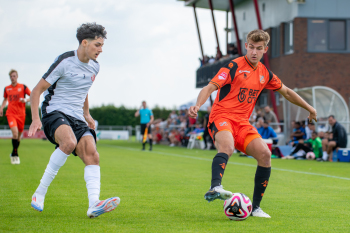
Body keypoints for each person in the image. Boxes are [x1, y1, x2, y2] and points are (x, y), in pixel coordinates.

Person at [188, 29, 317, 218]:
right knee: (227, 147)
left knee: (265, 154)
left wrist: (310, 108)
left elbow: (287, 92)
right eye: (251, 47)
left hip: (242, 123)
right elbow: (210, 87)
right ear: (246, 46)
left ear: (265, 49)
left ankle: (255, 208)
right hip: (221, 116)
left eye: (259, 48)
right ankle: (215, 187)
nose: (254, 52)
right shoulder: (233, 66)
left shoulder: (265, 73)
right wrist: (198, 105)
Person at [28, 23, 120, 218]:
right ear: (84, 43)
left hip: (76, 115)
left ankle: (94, 204)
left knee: (92, 155)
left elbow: (84, 89)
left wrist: (87, 114)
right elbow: (37, 90)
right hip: (54, 110)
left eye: (102, 45)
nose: (101, 50)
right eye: (97, 45)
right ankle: (39, 193)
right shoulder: (65, 61)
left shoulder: (95, 66)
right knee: (69, 142)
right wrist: (36, 119)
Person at [0, 69, 31, 164]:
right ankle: (15, 155)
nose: (12, 78)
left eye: (14, 76)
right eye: (11, 76)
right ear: (10, 77)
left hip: (21, 115)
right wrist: (1, 108)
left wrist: (25, 100)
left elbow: (32, 96)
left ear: (17, 76)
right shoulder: (7, 88)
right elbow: (5, 99)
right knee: (15, 133)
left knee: (18, 137)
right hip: (11, 113)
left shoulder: (23, 87)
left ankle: (14, 151)